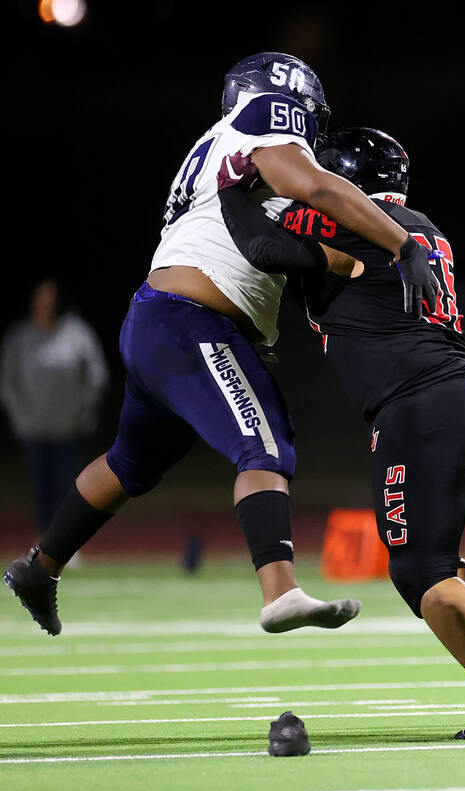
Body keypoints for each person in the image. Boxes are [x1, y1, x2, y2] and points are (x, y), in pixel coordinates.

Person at [4, 52, 438, 637]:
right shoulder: (267, 118)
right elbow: (311, 185)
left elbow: (261, 239)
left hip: (157, 319)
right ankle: (280, 591)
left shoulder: (218, 148)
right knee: (265, 443)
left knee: (130, 463)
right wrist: (401, 243)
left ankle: (40, 567)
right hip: (192, 321)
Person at [216, 127, 465, 740]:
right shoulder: (422, 227)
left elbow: (262, 245)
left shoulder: (346, 222)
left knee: (419, 570)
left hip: (417, 405)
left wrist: (230, 189)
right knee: (436, 560)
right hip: (456, 394)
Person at [1, 279, 109, 534]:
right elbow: (8, 381)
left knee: (69, 486)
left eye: (52, 302)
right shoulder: (20, 338)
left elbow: (97, 375)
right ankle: (44, 539)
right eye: (42, 302)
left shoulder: (77, 334)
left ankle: (67, 540)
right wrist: (19, 417)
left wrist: (84, 412)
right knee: (41, 487)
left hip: (69, 430)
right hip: (33, 430)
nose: (47, 308)